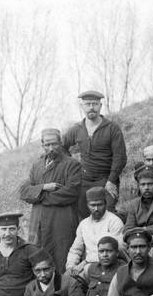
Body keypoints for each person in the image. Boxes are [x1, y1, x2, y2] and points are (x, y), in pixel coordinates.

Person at [18, 128, 82, 271]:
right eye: (47, 145)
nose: (51, 148)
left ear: (61, 143)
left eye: (54, 144)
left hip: (61, 221)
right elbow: (23, 192)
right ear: (42, 145)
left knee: (61, 259)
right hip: (39, 221)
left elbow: (71, 193)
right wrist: (45, 187)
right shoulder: (37, 165)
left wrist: (38, 196)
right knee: (39, 261)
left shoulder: (72, 164)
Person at [61, 90, 127, 216]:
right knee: (81, 215)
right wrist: (72, 165)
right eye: (88, 104)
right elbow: (62, 147)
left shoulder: (112, 128)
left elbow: (120, 157)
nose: (91, 107)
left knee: (107, 214)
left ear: (100, 106)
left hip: (106, 179)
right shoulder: (77, 129)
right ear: (82, 107)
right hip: (84, 180)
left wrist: (111, 180)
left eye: (95, 104)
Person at [65, 188, 124, 276]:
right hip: (87, 266)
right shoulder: (84, 224)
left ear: (105, 203)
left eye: (99, 205)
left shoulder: (114, 221)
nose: (96, 209)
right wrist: (71, 266)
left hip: (109, 265)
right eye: (92, 205)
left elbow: (116, 249)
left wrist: (85, 262)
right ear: (87, 205)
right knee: (67, 279)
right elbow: (76, 250)